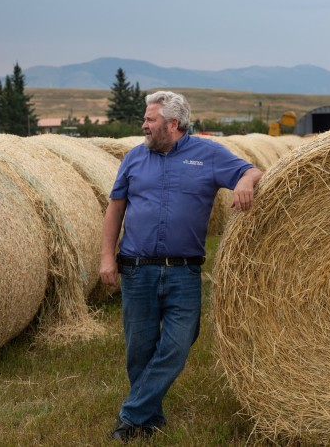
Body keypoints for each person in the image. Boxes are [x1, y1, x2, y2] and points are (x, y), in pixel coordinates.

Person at [100, 90, 262, 442]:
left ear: (173, 124)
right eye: (145, 119)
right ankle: (147, 419)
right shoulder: (133, 159)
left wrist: (247, 181)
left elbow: (250, 170)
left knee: (178, 344)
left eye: (150, 120)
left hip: (184, 271)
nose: (144, 125)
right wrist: (106, 257)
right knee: (139, 350)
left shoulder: (208, 154)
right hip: (137, 268)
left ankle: (130, 415)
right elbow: (115, 208)